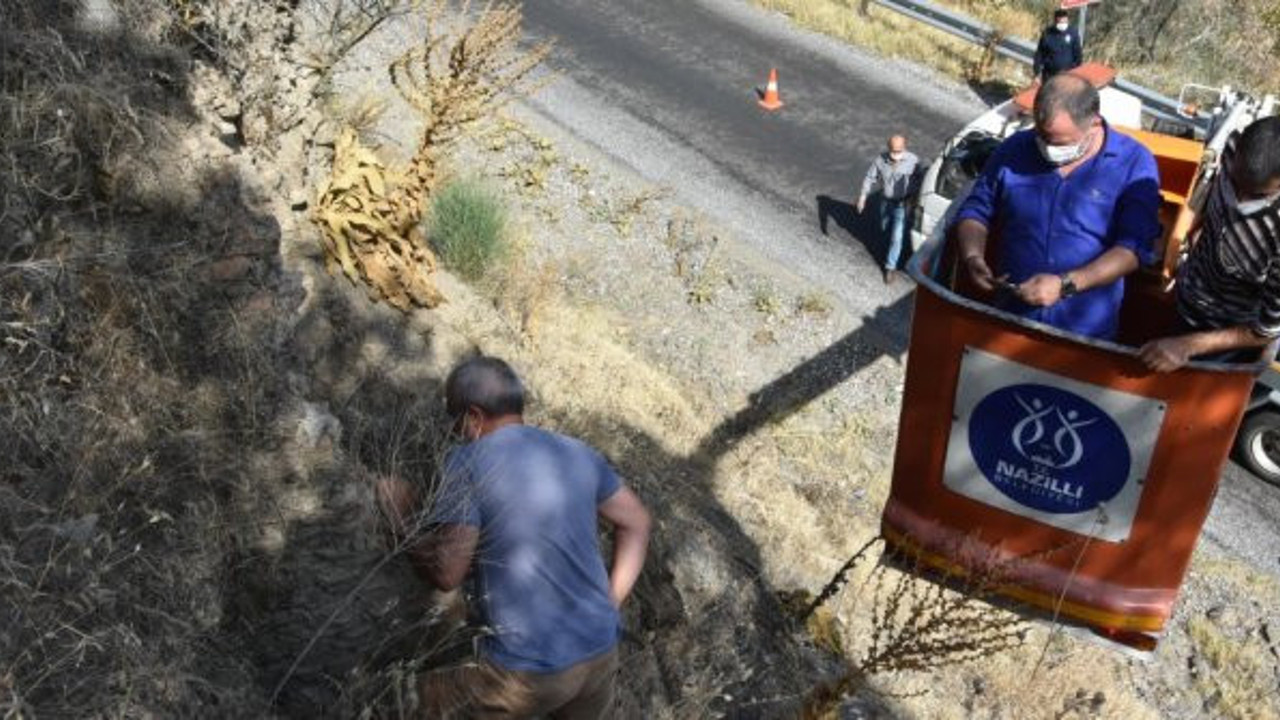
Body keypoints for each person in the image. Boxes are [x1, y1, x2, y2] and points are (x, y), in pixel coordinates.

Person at [376, 356, 652, 719]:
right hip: (600, 653)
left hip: (527, 673)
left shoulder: (468, 461)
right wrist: (610, 602)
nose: (452, 430)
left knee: (393, 704)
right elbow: (638, 522)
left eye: (453, 418)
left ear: (473, 416)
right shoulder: (576, 452)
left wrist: (401, 520)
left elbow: (447, 573)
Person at [954, 74, 1162, 340]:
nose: (1047, 148)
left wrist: (1065, 286)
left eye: (1059, 142)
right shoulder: (1015, 148)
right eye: (1041, 137)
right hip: (1009, 321)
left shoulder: (1134, 162)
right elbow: (977, 210)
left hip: (1083, 336)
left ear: (1094, 123)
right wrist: (973, 256)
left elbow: (1133, 249)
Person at [1139, 116, 1280, 371]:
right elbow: (1206, 198)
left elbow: (1266, 330)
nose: (1240, 200)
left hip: (1227, 339)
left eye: (1258, 195)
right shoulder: (1232, 147)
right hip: (1188, 298)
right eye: (1236, 184)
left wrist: (1188, 345)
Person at [857, 134, 920, 284]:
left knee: (896, 237)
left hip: (902, 205)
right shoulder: (881, 160)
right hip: (885, 202)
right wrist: (862, 197)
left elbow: (920, 179)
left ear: (904, 148)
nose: (895, 155)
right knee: (884, 226)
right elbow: (870, 177)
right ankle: (891, 244)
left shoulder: (913, 161)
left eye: (898, 151)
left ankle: (889, 267)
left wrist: (914, 198)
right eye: (893, 151)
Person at [1033, 9, 1082, 81]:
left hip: (1068, 75)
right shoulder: (1047, 33)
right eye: (1060, 22)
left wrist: (1075, 70)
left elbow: (1078, 53)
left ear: (1067, 20)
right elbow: (1040, 53)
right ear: (1055, 21)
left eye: (1064, 22)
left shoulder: (1073, 33)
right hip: (1050, 75)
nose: (1062, 24)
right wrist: (1037, 71)